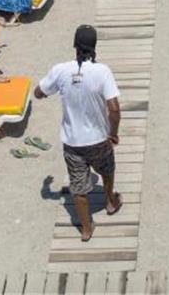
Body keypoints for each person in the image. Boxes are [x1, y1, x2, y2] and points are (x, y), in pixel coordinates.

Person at [34, 25, 122, 242]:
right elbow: (114, 108)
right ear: (94, 47)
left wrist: (47, 185)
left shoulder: (61, 70)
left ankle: (85, 228)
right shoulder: (102, 71)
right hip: (99, 139)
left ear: (74, 46)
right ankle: (110, 201)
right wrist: (114, 133)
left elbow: (39, 92)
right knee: (107, 170)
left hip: (73, 142)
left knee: (78, 187)